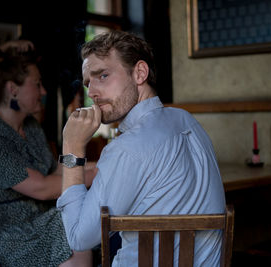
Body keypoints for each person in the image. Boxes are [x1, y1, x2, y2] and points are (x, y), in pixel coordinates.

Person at [56, 30, 226, 266]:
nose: (92, 92)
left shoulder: (126, 149)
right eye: (88, 82)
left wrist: (72, 148)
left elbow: (78, 237)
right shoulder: (187, 120)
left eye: (103, 76)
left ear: (140, 73)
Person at [0, 46, 97, 267]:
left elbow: (56, 170)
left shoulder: (31, 126)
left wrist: (98, 165)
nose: (43, 91)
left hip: (33, 222)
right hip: (6, 235)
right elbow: (43, 188)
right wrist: (95, 175)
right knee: (72, 225)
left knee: (75, 220)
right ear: (13, 90)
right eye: (37, 84)